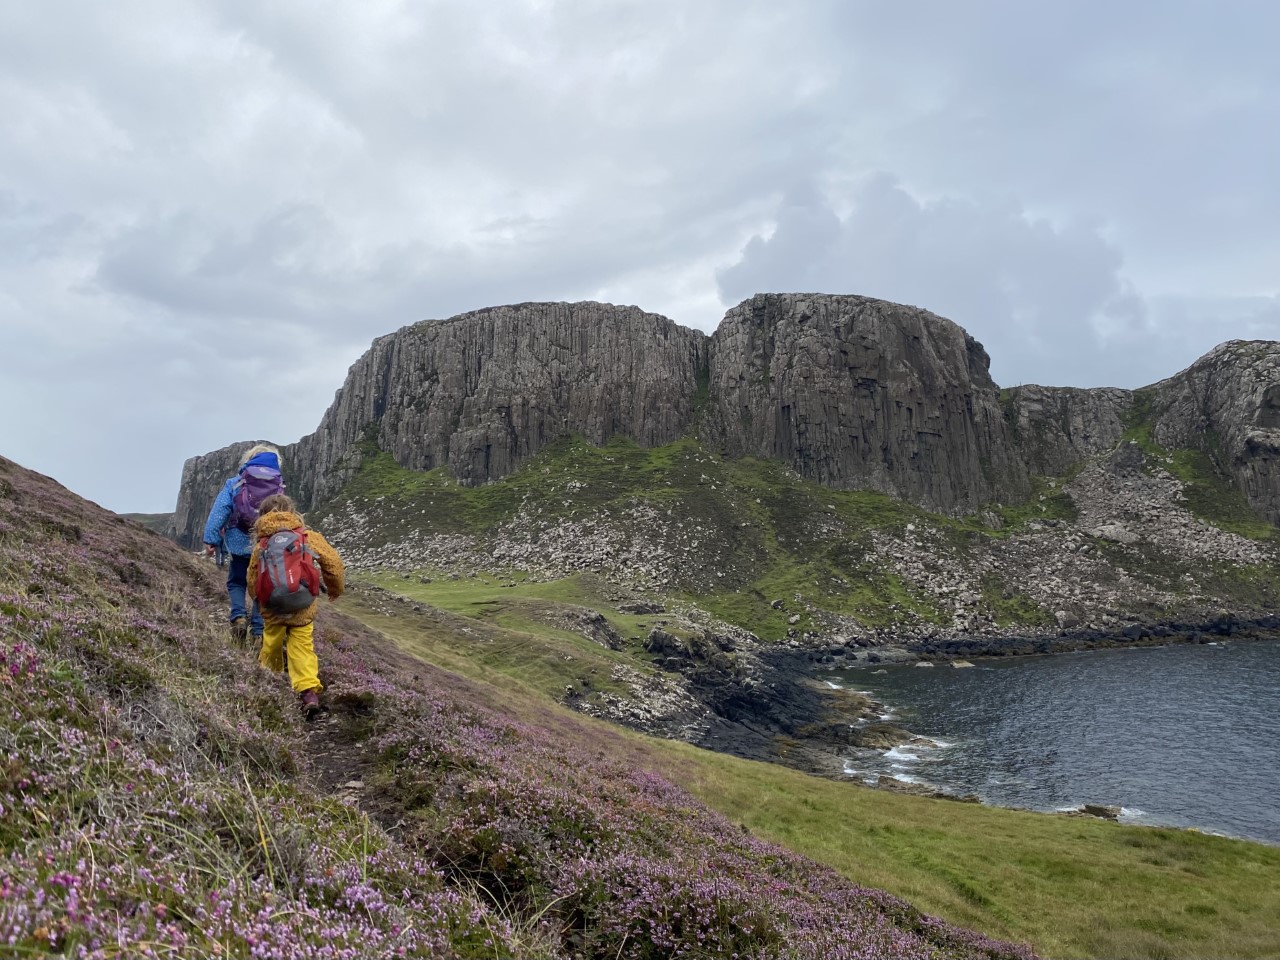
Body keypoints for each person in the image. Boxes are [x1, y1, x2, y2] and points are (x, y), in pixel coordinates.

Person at [246, 493, 345, 718]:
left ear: (262, 516)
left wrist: (259, 600)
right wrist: (334, 589)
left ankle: (270, 684)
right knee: (302, 647)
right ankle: (308, 692)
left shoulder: (262, 543)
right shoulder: (307, 536)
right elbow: (333, 563)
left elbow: (252, 577)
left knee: (271, 644)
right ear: (292, 511)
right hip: (302, 604)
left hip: (272, 608)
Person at [201, 444, 284, 642]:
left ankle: (238, 616)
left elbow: (220, 510)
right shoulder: (279, 484)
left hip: (238, 544)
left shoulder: (236, 482)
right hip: (265, 545)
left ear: (249, 459)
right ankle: (257, 631)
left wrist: (211, 539)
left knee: (237, 581)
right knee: (261, 587)